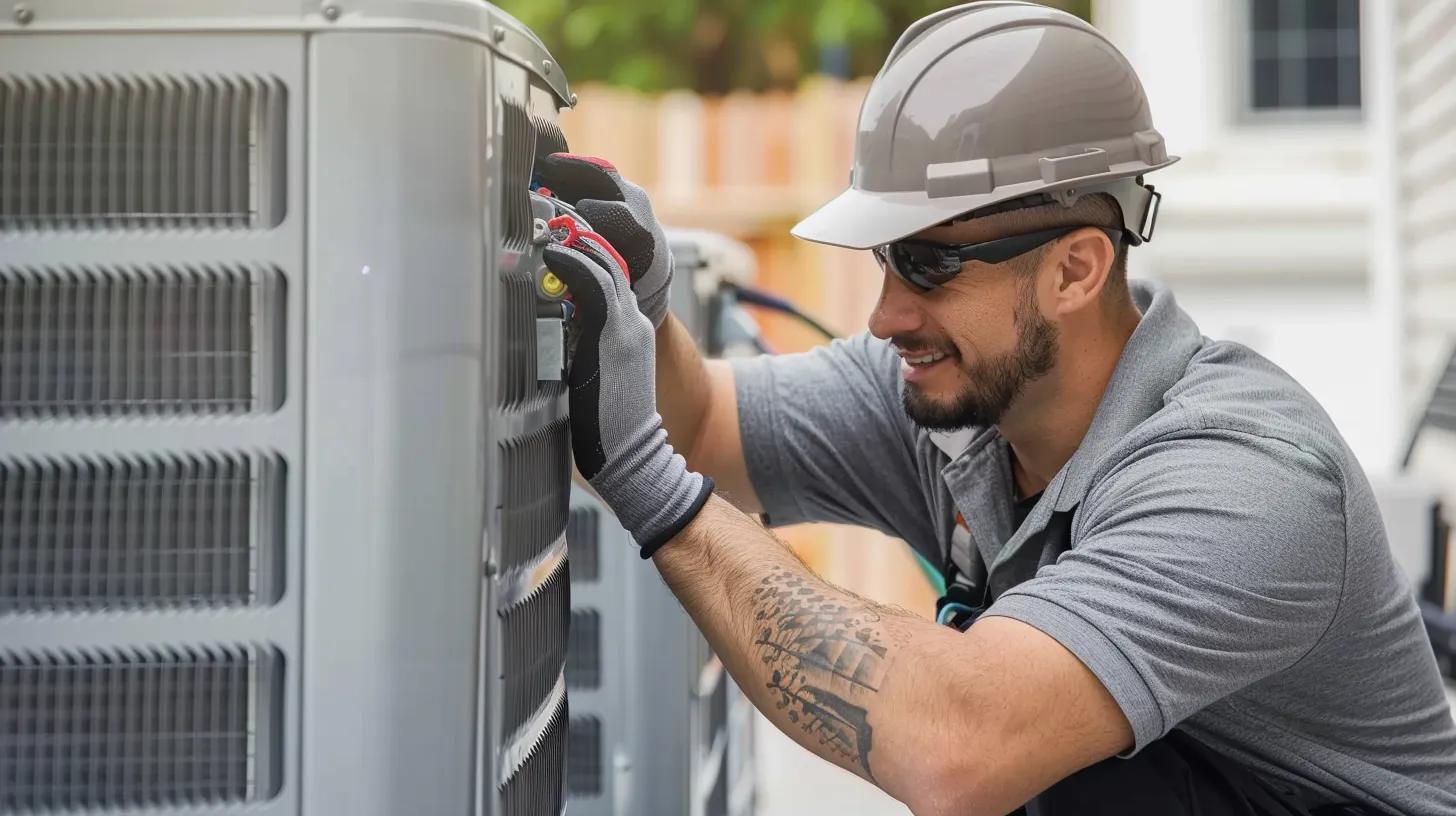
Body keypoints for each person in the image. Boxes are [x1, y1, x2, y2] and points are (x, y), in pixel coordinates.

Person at [534, 3, 1456, 814]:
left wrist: (652, 490)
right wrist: (643, 296)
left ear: (1076, 268)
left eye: (931, 264)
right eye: (883, 259)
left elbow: (958, 749)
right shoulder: (958, 396)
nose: (887, 314)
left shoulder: (1244, 479)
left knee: (1058, 750)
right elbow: (702, 428)